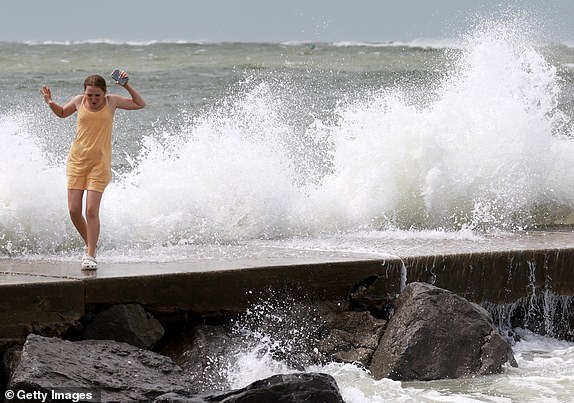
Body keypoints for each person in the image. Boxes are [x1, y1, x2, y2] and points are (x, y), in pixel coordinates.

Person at [40, 71, 145, 270]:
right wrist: (50, 102)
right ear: (84, 93)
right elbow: (62, 113)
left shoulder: (112, 102)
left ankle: (91, 255)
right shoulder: (79, 101)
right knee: (73, 210)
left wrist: (126, 86)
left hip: (99, 165)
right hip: (77, 162)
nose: (93, 99)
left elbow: (140, 103)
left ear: (104, 93)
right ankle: (92, 242)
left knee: (91, 210)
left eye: (97, 95)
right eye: (90, 95)